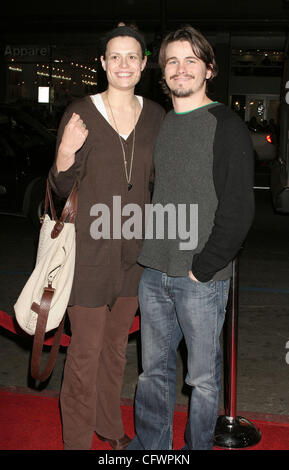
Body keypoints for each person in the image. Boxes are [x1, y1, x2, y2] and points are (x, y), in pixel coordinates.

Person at [127, 25, 255, 451]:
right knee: (151, 373)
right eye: (172, 61)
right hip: (155, 272)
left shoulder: (226, 125)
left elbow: (239, 209)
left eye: (191, 61)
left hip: (201, 278)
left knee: (200, 380)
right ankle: (153, 448)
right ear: (162, 72)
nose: (181, 69)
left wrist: (204, 267)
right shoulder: (161, 124)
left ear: (209, 69)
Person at [48, 23, 165, 450]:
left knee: (116, 351)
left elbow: (161, 183)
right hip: (90, 256)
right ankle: (77, 442)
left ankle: (109, 428)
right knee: (84, 356)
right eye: (114, 56)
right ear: (101, 63)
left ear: (144, 63)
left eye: (132, 56)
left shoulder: (156, 115)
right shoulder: (81, 111)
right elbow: (59, 192)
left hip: (136, 257)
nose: (123, 64)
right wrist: (64, 152)